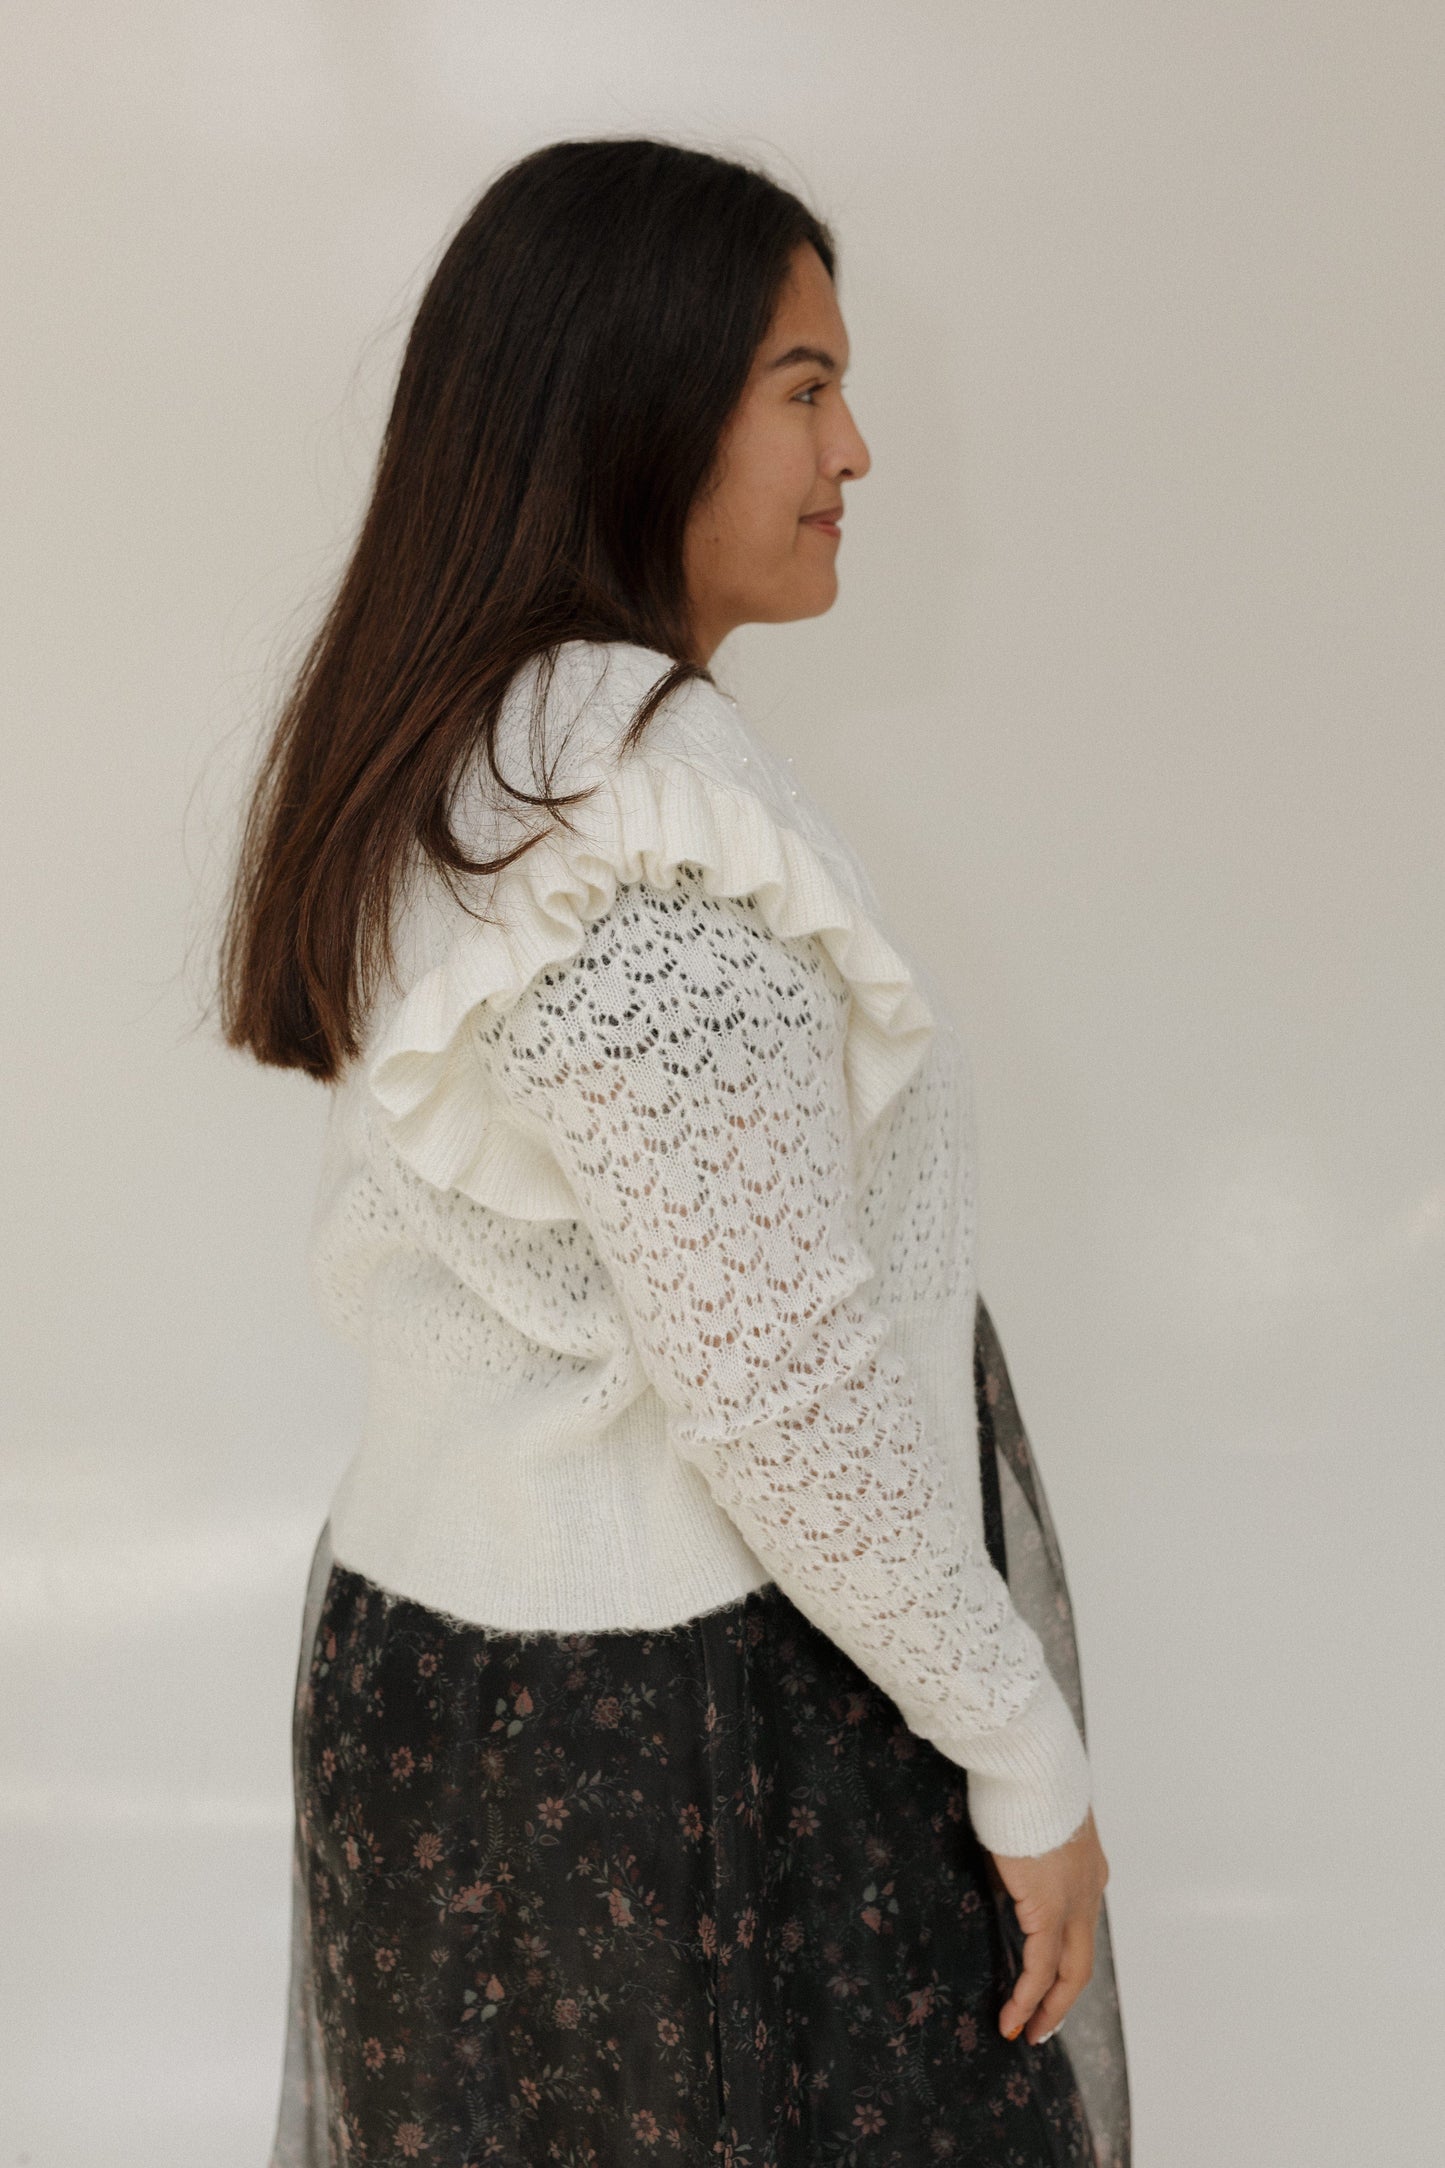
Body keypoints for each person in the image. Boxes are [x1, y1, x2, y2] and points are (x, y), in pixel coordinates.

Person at [219, 135, 1131, 2167]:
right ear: (638, 403)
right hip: (668, 1740)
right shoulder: (639, 819)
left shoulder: (465, 752)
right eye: (803, 384)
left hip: (444, 1673)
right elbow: (781, 1386)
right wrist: (1026, 1757)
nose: (859, 448)